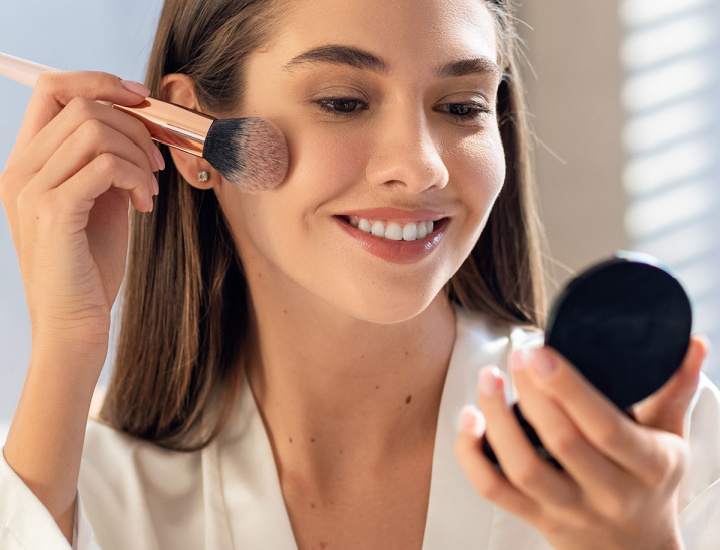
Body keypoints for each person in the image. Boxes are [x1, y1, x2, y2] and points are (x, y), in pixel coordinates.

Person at [1, 0, 719, 548]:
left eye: (462, 107)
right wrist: (67, 344)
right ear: (196, 135)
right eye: (343, 102)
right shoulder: (77, 482)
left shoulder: (657, 451)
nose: (421, 165)